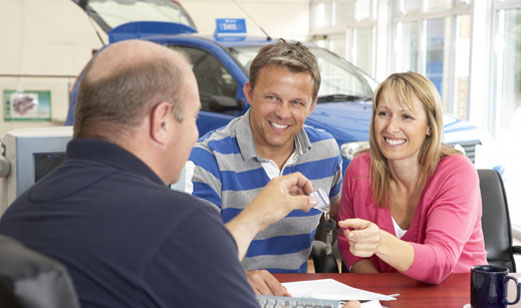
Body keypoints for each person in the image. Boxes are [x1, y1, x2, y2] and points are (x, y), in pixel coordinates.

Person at [0, 40, 319, 307]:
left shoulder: (17, 215)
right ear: (162, 121)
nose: (196, 134)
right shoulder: (181, 225)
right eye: (193, 118)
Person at [186, 39, 343, 295]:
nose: (282, 113)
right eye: (272, 97)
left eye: (296, 103)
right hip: (225, 292)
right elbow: (193, 256)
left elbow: (335, 214)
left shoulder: (326, 151)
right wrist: (240, 276)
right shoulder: (206, 158)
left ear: (312, 105)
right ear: (249, 93)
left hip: (295, 297)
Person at [337, 72, 487, 284]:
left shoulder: (456, 172)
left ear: (429, 126)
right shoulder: (360, 169)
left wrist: (379, 241)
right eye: (383, 113)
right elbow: (347, 243)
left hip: (456, 297)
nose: (391, 128)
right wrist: (381, 293)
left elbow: (439, 263)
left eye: (406, 116)